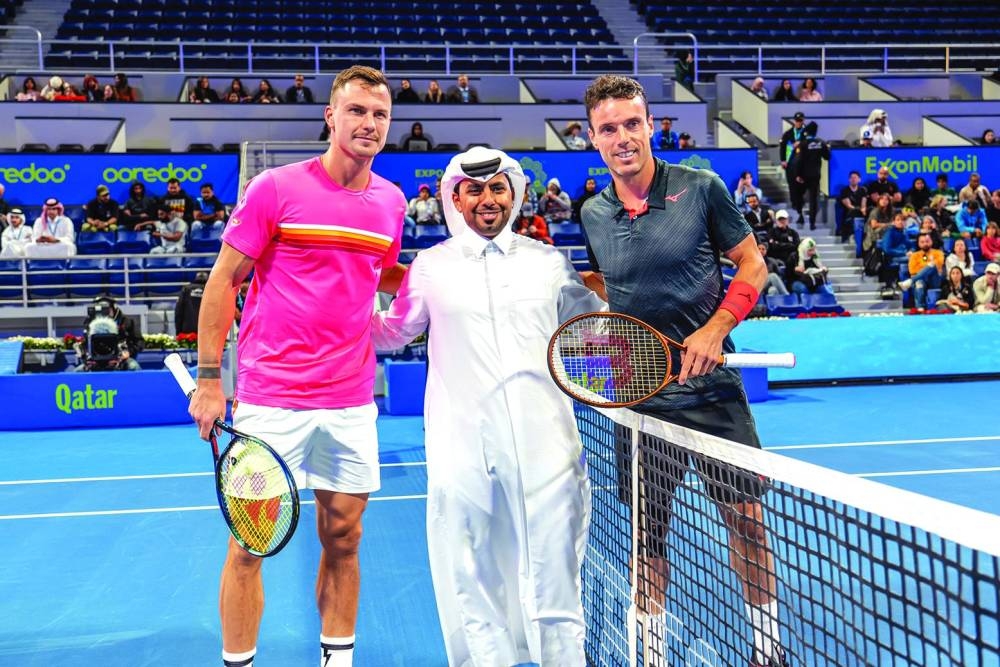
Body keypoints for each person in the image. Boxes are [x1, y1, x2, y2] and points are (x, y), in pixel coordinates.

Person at [186, 65, 407, 667]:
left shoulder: (391, 202)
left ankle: (337, 660)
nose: (369, 123)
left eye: (380, 114)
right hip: (271, 399)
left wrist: (443, 280)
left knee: (344, 538)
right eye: (357, 111)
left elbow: (380, 273)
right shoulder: (275, 189)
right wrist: (211, 381)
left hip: (351, 399)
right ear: (331, 116)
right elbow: (223, 281)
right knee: (248, 545)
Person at [579, 74, 787, 667]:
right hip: (640, 399)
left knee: (747, 522)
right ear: (593, 139)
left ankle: (767, 650)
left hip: (712, 393)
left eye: (632, 123)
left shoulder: (701, 188)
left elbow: (752, 264)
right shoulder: (594, 212)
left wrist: (715, 328)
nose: (623, 137)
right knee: (648, 544)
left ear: (650, 125)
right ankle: (652, 655)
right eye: (608, 129)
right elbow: (609, 285)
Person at [371, 147, 604, 665]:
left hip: (548, 441)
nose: (487, 199)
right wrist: (341, 300)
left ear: (515, 195)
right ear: (455, 198)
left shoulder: (549, 262)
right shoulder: (430, 268)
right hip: (461, 444)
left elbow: (597, 326)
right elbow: (391, 334)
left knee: (555, 570)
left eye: (498, 188)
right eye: (475, 190)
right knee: (468, 564)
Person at [75, 295, 143, 371]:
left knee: (134, 367)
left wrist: (128, 352)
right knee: (77, 371)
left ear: (113, 309)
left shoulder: (127, 322)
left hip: (121, 359)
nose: (104, 313)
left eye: (107, 310)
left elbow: (139, 342)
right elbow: (86, 341)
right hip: (95, 359)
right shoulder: (89, 323)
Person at [789, 121, 829, 230]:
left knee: (799, 196)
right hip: (815, 175)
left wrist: (797, 174)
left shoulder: (803, 144)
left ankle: (801, 215)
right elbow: (827, 157)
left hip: (803, 176)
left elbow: (798, 160)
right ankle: (812, 223)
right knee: (813, 199)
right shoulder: (821, 143)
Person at [898, 232, 944, 312]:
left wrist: (924, 267)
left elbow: (939, 264)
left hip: (935, 280)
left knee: (932, 265)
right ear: (918, 243)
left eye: (927, 241)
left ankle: (910, 281)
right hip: (920, 280)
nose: (925, 244)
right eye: (922, 242)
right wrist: (927, 267)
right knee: (919, 283)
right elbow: (912, 271)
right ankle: (920, 308)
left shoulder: (938, 253)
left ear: (931, 241)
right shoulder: (914, 256)